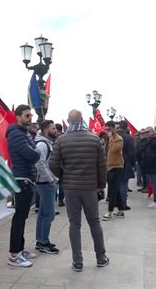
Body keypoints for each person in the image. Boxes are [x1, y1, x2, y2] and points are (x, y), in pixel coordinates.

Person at [49, 109, 109, 272]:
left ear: (68, 122)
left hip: (70, 188)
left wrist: (63, 177)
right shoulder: (94, 139)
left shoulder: (61, 140)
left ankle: (77, 261)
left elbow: (52, 164)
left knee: (74, 224)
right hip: (90, 188)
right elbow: (102, 166)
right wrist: (101, 185)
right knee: (94, 222)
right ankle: (101, 257)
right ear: (82, 119)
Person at [6, 104, 41, 267]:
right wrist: (35, 151)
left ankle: (19, 248)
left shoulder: (23, 134)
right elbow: (33, 155)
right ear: (18, 117)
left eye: (31, 116)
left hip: (26, 179)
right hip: (22, 179)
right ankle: (14, 255)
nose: (30, 118)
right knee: (19, 217)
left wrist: (34, 150)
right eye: (27, 116)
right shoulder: (16, 135)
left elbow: (33, 151)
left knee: (23, 216)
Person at [34, 120, 60, 254]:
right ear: (46, 130)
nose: (55, 130)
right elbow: (40, 164)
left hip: (44, 182)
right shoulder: (43, 145)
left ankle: (41, 240)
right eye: (53, 128)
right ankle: (44, 242)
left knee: (43, 213)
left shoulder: (45, 143)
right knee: (49, 213)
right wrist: (51, 179)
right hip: (45, 183)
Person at [136, 127, 156, 208]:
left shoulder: (155, 141)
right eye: (145, 132)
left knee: (155, 184)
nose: (146, 133)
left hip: (154, 166)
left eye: (147, 132)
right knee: (154, 183)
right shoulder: (150, 141)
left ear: (152, 132)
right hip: (150, 166)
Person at [103, 120, 125, 220]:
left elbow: (114, 150)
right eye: (105, 129)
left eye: (108, 129)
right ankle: (120, 210)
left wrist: (111, 138)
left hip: (116, 167)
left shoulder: (118, 139)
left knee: (112, 190)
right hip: (109, 166)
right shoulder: (108, 139)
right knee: (115, 189)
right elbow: (106, 152)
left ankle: (110, 211)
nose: (107, 131)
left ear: (112, 128)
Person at [117, 121, 135, 210]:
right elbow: (132, 153)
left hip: (114, 163)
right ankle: (123, 204)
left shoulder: (112, 137)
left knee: (116, 184)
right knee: (123, 184)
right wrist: (131, 164)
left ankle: (115, 203)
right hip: (125, 162)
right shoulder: (129, 138)